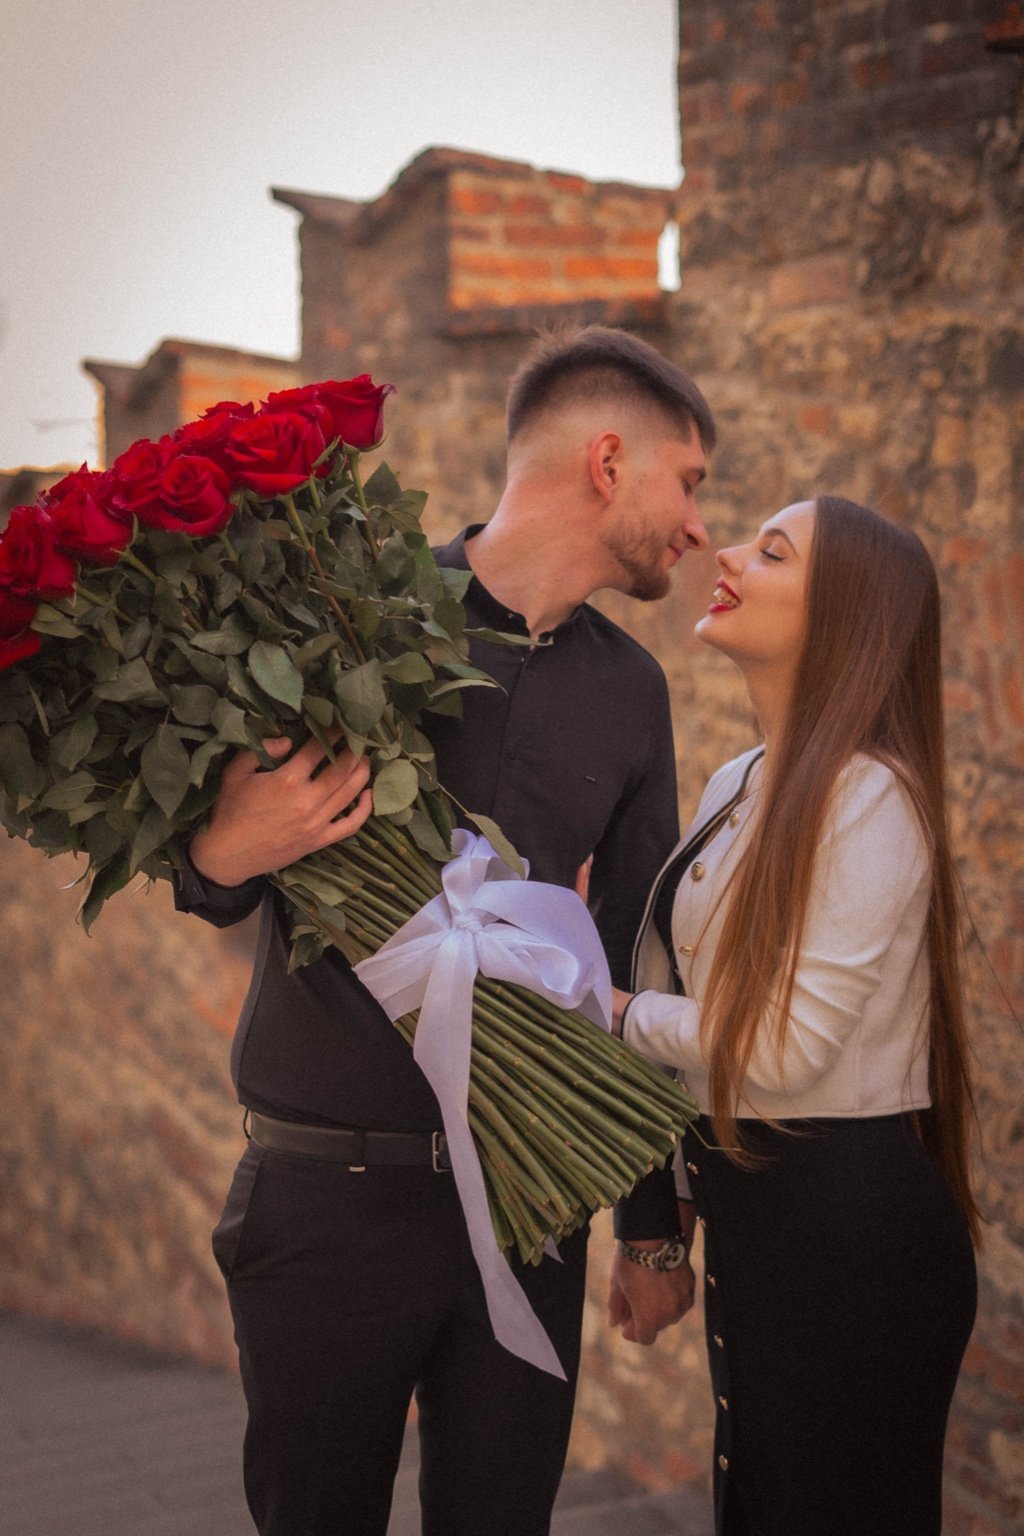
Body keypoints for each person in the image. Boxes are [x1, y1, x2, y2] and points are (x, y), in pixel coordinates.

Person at [173, 325, 717, 1536]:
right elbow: (207, 880)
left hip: (532, 1207)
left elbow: (634, 953)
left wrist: (648, 1230)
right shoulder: (348, 618)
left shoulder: (633, 691)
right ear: (608, 461)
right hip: (325, 1199)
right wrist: (222, 848)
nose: (697, 526)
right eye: (688, 483)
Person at [610, 495, 980, 1536]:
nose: (727, 553)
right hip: (761, 1216)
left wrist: (612, 1012)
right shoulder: (741, 780)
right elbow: (698, 1007)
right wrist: (662, 1223)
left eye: (772, 552)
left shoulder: (871, 797)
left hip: (849, 1240)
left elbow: (778, 1048)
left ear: (845, 618)